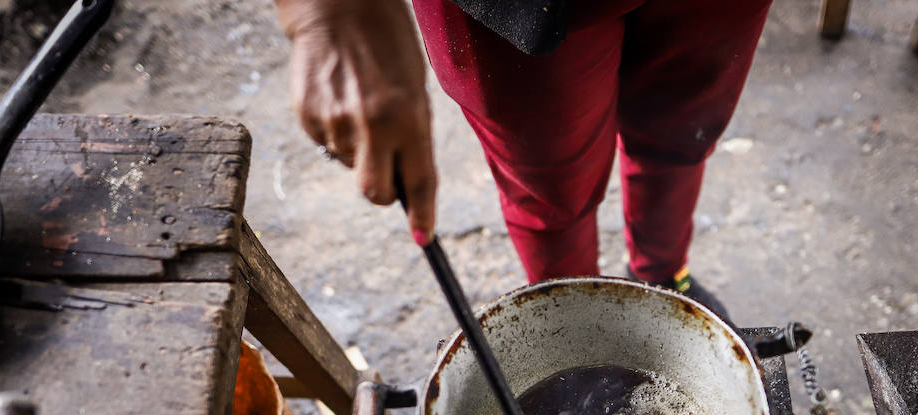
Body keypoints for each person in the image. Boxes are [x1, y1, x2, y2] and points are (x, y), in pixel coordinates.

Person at [274, 0, 776, 322]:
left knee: (682, 132)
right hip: (515, 9)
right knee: (551, 187)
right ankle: (576, 323)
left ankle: (662, 274)